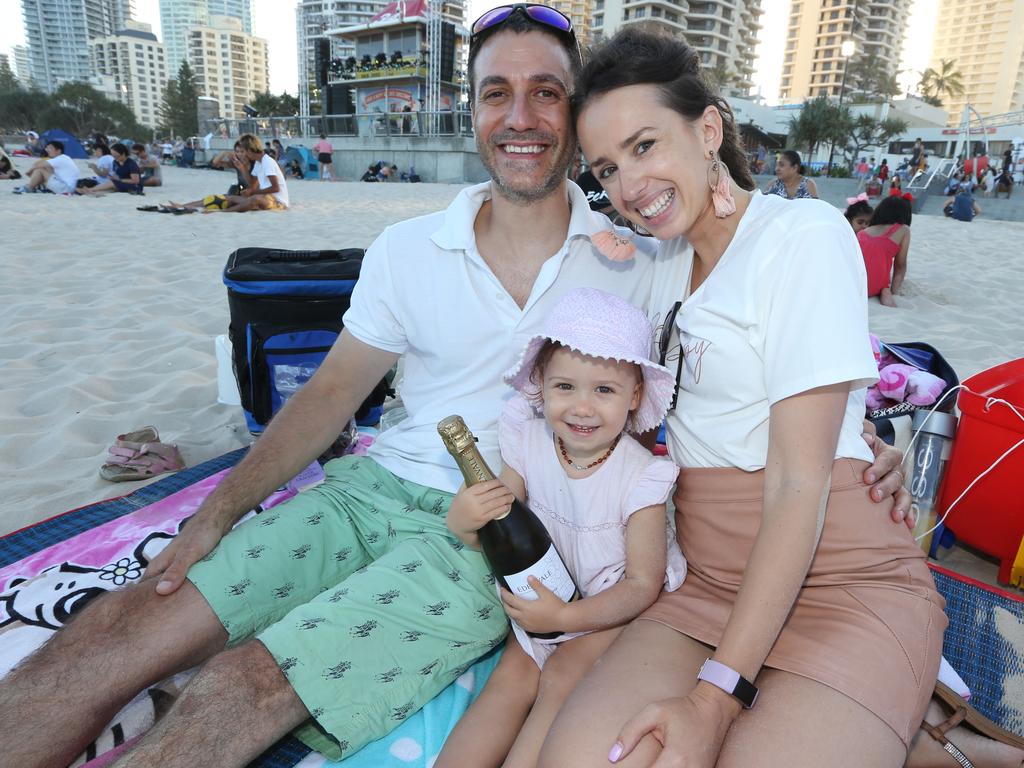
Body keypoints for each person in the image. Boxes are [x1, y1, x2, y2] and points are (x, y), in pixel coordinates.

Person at [0, 9, 911, 768]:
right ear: (468, 111)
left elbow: (782, 379)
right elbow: (325, 399)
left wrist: (861, 444)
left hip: (505, 533)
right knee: (120, 632)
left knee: (251, 679)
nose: (521, 117)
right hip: (368, 493)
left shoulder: (635, 256)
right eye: (495, 93)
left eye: (546, 94)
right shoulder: (415, 249)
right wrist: (222, 505)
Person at [539, 26, 958, 768]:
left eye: (644, 146)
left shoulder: (800, 235)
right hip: (707, 580)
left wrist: (714, 695)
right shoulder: (656, 268)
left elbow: (800, 482)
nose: (628, 186)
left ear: (707, 131)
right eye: (606, 168)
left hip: (839, 578)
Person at [436, 288, 686, 768]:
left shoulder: (641, 477)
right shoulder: (528, 440)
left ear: (635, 396)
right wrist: (465, 522)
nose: (581, 408)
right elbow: (500, 524)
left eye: (604, 390)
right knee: (510, 680)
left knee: (562, 677)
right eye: (565, 387)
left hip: (607, 607)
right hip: (543, 595)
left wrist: (567, 621)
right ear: (542, 384)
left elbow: (642, 584)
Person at [857, 194, 911, 308]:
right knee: (883, 285)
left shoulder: (863, 232)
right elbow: (900, 266)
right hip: (875, 285)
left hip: (856, 284)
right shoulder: (903, 230)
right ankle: (885, 291)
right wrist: (895, 291)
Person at [12, 140, 80, 194]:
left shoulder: (61, 158)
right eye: (47, 148)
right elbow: (45, 166)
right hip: (69, 188)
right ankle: (35, 186)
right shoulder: (63, 158)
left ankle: (29, 188)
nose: (47, 150)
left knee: (40, 170)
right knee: (46, 168)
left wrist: (28, 172)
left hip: (65, 188)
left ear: (58, 151)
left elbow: (38, 165)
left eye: (50, 148)